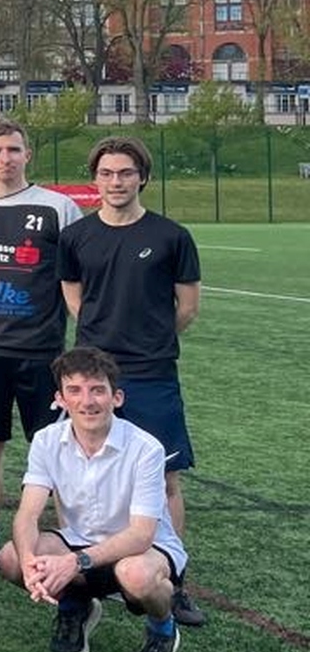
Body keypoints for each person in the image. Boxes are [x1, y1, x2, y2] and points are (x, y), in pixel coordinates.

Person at [60, 136, 205, 627]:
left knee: (165, 477)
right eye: (106, 173)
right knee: (78, 472)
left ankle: (174, 579)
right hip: (93, 374)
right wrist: (99, 344)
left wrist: (151, 338)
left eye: (125, 173)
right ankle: (82, 586)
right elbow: (73, 294)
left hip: (152, 372)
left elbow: (186, 308)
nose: (115, 182)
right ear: (95, 178)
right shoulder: (78, 237)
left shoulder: (171, 236)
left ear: (142, 176)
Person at [0, 347, 189, 652]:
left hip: (145, 551)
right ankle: (77, 605)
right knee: (10, 558)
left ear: (117, 397)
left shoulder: (146, 448)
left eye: (98, 389)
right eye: (75, 390)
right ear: (60, 398)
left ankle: (162, 628)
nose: (87, 401)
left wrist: (74, 562)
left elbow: (141, 534)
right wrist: (29, 563)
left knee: (136, 575)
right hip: (80, 543)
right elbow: (27, 515)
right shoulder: (46, 440)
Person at [0, 117, 82, 578]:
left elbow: (71, 277)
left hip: (42, 352)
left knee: (60, 447)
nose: (6, 159)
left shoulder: (58, 208)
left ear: (28, 154)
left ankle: (72, 540)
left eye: (13, 150)